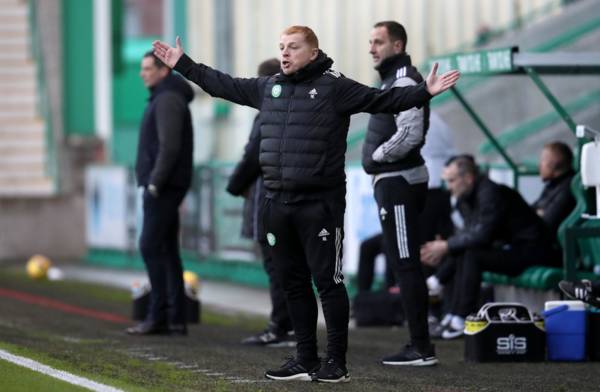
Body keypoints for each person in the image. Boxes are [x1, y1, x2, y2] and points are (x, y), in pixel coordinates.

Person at [153, 26, 459, 382]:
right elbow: (223, 84)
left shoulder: (335, 87)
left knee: (328, 282)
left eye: (293, 48)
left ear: (313, 52)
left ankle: (336, 363)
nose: (284, 53)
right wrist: (184, 64)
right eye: (281, 47)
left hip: (320, 205)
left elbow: (382, 101)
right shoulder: (269, 88)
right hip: (276, 203)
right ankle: (305, 358)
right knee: (292, 283)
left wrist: (425, 92)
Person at [361, 21, 439, 366]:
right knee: (402, 263)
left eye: (379, 42)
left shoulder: (405, 78)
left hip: (398, 182)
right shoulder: (393, 78)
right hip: (392, 181)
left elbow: (410, 134)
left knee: (406, 264)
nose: (372, 48)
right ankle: (418, 344)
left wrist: (376, 157)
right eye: (371, 42)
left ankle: (420, 347)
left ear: (397, 45)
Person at [421, 156, 554, 339]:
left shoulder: (489, 192)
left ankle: (460, 316)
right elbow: (469, 237)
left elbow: (481, 236)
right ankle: (452, 313)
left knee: (472, 255)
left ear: (468, 178)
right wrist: (446, 248)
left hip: (533, 251)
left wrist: (445, 246)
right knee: (465, 251)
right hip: (513, 248)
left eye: (451, 181)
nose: (449, 187)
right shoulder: (468, 196)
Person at [226, 58, 295, 347]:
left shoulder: (267, 112)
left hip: (267, 196)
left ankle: (280, 325)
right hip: (290, 196)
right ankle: (290, 326)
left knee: (275, 264)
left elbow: (254, 154)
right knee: (288, 264)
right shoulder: (295, 109)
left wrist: (235, 186)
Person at [126, 51, 194, 336]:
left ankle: (159, 316)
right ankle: (175, 316)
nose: (142, 73)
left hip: (163, 187)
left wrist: (154, 183)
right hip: (166, 185)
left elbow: (169, 147)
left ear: (163, 71)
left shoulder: (166, 99)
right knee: (166, 249)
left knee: (150, 245)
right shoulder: (164, 97)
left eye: (147, 68)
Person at [533, 141, 576, 237]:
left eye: (542, 160)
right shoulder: (552, 184)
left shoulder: (569, 187)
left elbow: (546, 224)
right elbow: (530, 210)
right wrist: (538, 213)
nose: (539, 165)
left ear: (553, 164)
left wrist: (539, 213)